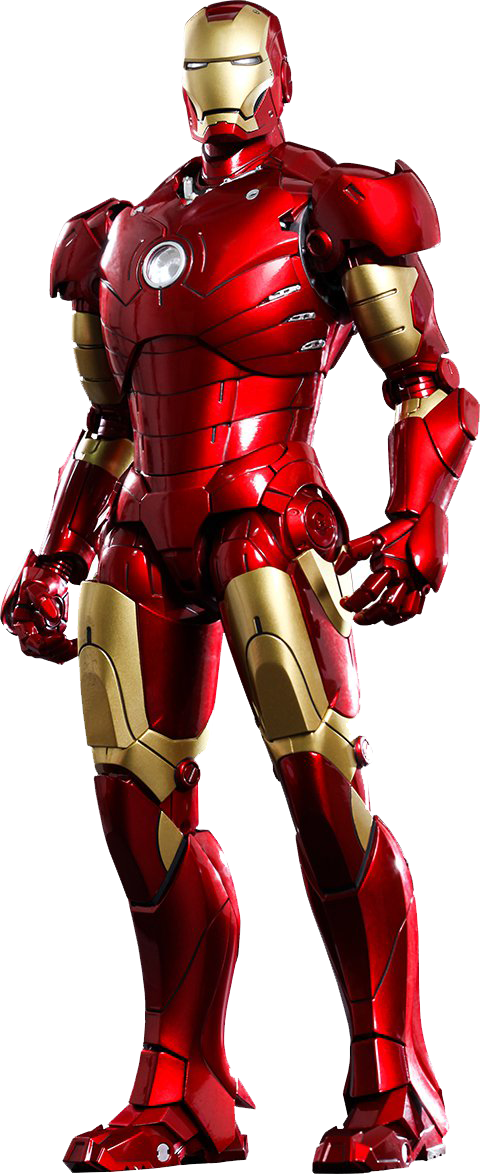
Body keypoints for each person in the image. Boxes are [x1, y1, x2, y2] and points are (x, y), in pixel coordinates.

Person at [2, 4, 477, 1170]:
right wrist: (53, 554)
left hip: (269, 518)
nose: (221, 86)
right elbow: (108, 422)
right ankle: (183, 1085)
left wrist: (418, 515)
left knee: (323, 789)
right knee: (135, 808)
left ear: (278, 75)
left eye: (241, 64)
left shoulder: (331, 202)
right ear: (181, 86)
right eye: (203, 68)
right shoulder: (119, 234)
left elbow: (428, 382)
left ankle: (395, 1082)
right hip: (141, 535)